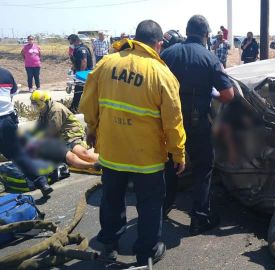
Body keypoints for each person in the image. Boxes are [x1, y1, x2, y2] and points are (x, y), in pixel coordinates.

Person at [80, 20, 186, 266]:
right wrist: (178, 153)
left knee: (112, 199)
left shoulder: (106, 63)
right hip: (146, 158)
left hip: (112, 152)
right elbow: (174, 121)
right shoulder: (161, 73)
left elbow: (88, 104)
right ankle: (146, 252)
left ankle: (109, 243)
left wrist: (92, 129)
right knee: (149, 205)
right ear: (158, 44)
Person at [161, 15, 234, 235]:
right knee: (203, 168)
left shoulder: (167, 54)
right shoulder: (209, 58)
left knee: (169, 165)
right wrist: (211, 95)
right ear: (206, 35)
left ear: (186, 31)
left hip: (168, 123)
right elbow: (228, 94)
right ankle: (199, 218)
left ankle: (163, 207)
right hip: (196, 123)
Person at [0, 67, 52, 196]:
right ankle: (41, 182)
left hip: (6, 119)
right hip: (7, 120)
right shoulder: (6, 73)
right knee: (18, 154)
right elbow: (13, 93)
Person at [30, 90, 98, 165]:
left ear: (46, 101)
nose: (37, 108)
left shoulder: (56, 110)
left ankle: (101, 161)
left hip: (71, 133)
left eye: (38, 105)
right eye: (35, 105)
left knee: (82, 154)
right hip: (61, 136)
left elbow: (53, 130)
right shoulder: (44, 110)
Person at [69, 34, 93, 113]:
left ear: (75, 40)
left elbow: (84, 61)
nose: (70, 44)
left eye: (71, 42)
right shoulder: (78, 48)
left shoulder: (81, 49)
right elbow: (77, 61)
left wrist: (81, 75)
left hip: (84, 74)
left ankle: (74, 108)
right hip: (82, 73)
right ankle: (75, 107)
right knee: (79, 92)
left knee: (79, 92)